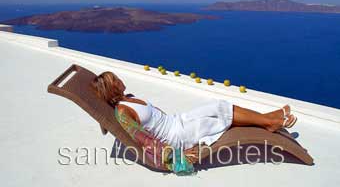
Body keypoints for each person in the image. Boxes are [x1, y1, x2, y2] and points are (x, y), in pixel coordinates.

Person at [92, 71, 297, 163]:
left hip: (177, 121)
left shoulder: (129, 98)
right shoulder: (123, 112)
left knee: (219, 105)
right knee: (218, 120)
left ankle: (266, 118)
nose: (120, 80)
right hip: (176, 136)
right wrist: (176, 157)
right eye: (115, 80)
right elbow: (145, 142)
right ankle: (269, 122)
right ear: (111, 89)